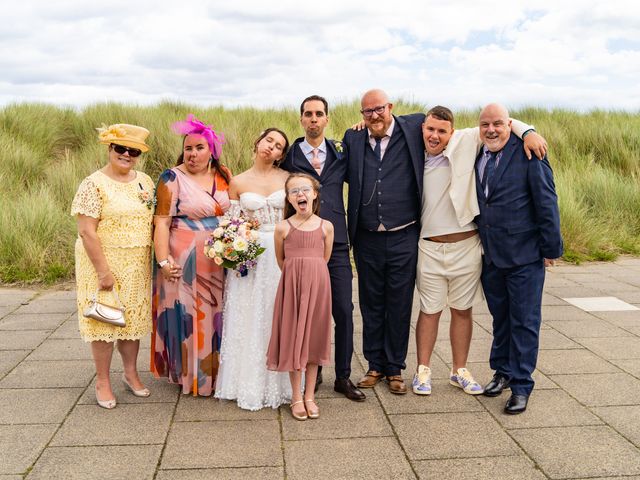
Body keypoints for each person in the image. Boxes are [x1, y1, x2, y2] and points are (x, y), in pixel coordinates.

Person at [412, 106, 548, 397]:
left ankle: (459, 370)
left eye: (442, 131)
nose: (435, 135)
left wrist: (529, 132)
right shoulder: (412, 151)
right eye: (430, 129)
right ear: (422, 128)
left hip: (467, 245)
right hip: (429, 247)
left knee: (463, 310)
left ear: (452, 132)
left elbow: (501, 124)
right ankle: (422, 370)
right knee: (429, 310)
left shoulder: (467, 141)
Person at [475, 103, 563, 414]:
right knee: (501, 319)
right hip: (493, 256)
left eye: (498, 123)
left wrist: (551, 248)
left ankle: (522, 385)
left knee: (525, 322)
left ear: (508, 123)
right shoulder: (479, 153)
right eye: (485, 124)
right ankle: (503, 372)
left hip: (525, 255)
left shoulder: (529, 152)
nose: (491, 129)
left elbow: (546, 200)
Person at [281, 95, 364, 401]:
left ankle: (343, 376)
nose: (313, 119)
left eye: (319, 114)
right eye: (308, 114)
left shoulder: (342, 151)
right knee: (307, 313)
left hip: (336, 240)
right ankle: (310, 375)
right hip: (302, 244)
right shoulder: (288, 157)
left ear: (327, 118)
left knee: (343, 309)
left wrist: (358, 127)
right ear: (301, 119)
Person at [343, 89, 425, 395]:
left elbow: (455, 128)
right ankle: (374, 364)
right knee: (371, 302)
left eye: (379, 109)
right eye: (367, 112)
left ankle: (395, 368)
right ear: (361, 115)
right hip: (367, 238)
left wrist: (526, 129)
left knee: (400, 303)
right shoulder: (353, 139)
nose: (374, 116)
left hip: (404, 234)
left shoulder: (414, 127)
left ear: (390, 107)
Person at [72, 123, 154, 409]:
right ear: (110, 149)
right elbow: (86, 231)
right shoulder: (93, 183)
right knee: (104, 321)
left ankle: (130, 374)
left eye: (133, 151)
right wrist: (103, 271)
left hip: (136, 264)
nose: (126, 154)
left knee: (132, 322)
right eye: (121, 148)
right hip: (102, 263)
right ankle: (103, 381)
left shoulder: (145, 181)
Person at [151, 114, 231, 397]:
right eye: (188, 148)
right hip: (183, 258)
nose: (193, 153)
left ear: (212, 151)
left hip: (220, 259)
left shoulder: (224, 176)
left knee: (217, 313)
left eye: (199, 148)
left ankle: (219, 373)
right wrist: (163, 261)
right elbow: (161, 222)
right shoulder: (171, 178)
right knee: (190, 315)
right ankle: (191, 377)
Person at [215, 128, 292, 410]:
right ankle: (245, 382)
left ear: (282, 155)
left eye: (278, 146)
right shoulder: (237, 181)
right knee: (249, 315)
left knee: (276, 312)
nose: (271, 147)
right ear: (258, 141)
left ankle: (281, 382)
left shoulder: (287, 179)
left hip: (281, 249)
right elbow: (232, 222)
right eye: (268, 141)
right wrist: (233, 248)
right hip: (251, 253)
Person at [267, 173, 334, 420]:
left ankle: (310, 396)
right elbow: (281, 260)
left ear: (315, 194)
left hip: (318, 286)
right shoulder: (283, 227)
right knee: (295, 337)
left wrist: (311, 274)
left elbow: (324, 258)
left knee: (313, 338)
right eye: (294, 191)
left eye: (305, 189)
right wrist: (297, 276)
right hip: (292, 286)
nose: (300, 195)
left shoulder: (326, 226)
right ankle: (296, 396)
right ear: (288, 198)